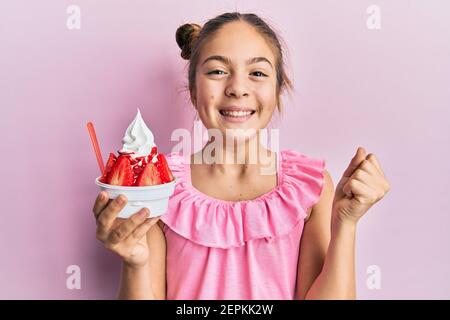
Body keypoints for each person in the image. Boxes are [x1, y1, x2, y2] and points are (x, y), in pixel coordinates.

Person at [92, 12, 390, 300]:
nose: (237, 88)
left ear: (278, 89)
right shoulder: (159, 186)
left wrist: (345, 224)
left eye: (257, 73)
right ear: (194, 91)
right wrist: (135, 264)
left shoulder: (311, 188)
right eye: (218, 71)